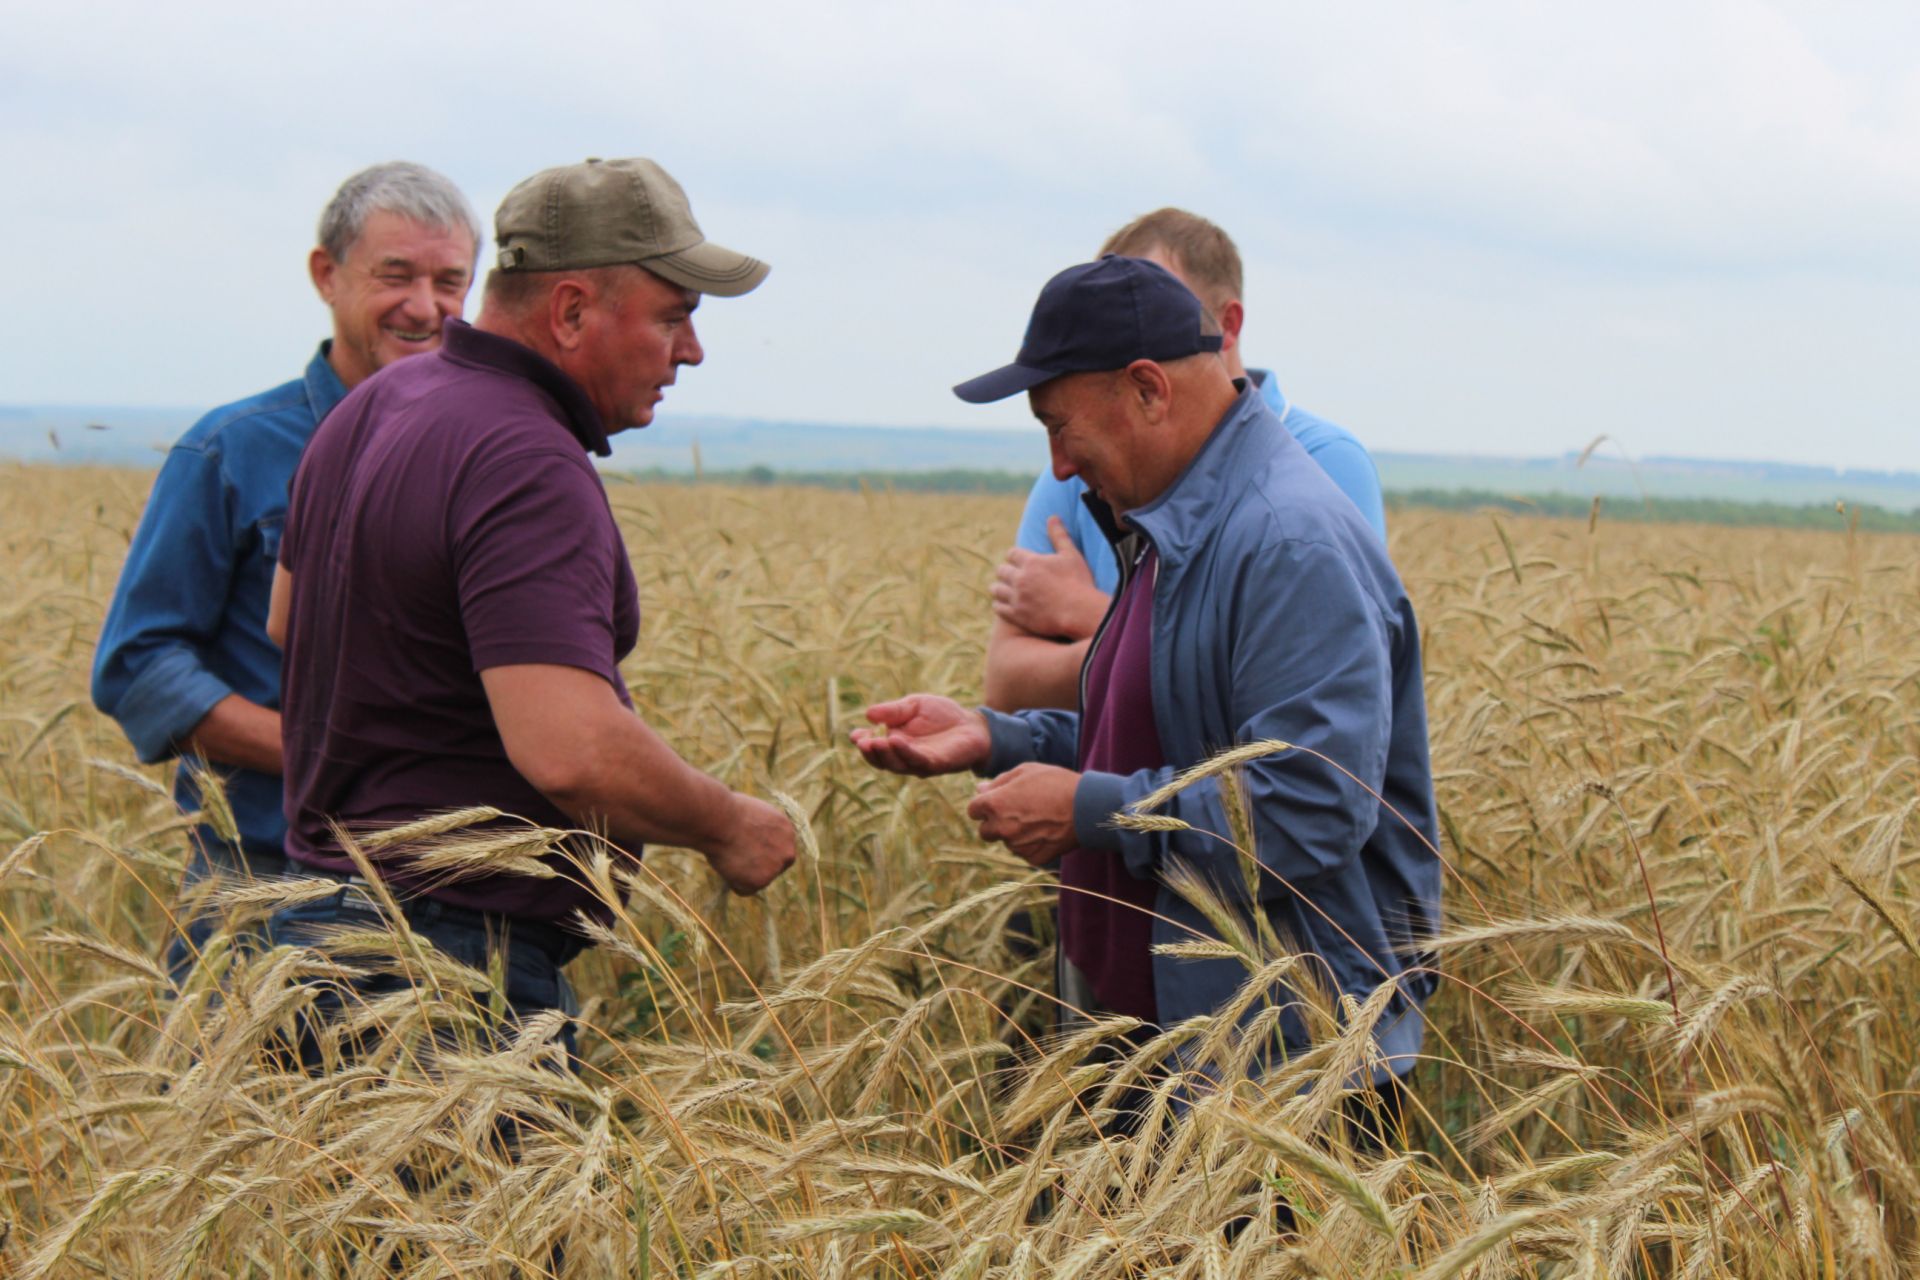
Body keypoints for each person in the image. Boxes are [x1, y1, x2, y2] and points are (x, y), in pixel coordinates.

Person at [853, 256, 1439, 1121]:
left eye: (1060, 426)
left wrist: (1088, 812)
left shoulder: (1285, 541)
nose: (1056, 464)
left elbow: (1311, 804)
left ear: (1148, 390)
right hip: (1177, 1048)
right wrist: (994, 736)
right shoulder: (1177, 517)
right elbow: (1162, 735)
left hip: (1274, 1075)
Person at [265, 157, 796, 1063]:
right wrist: (727, 825)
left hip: (314, 947)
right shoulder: (524, 459)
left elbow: (285, 623)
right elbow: (572, 748)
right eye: (674, 317)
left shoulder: (377, 405)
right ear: (573, 312)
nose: (692, 350)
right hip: (445, 981)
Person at [91, 162, 479, 976]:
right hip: (258, 901)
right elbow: (139, 666)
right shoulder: (231, 451)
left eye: (451, 281)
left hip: (446, 910)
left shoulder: (484, 461)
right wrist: (321, 757)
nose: (427, 307)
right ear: (325, 275)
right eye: (395, 275)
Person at [984, 208, 1388, 713]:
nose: (1062, 462)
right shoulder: (1082, 466)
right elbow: (1005, 687)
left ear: (1228, 325)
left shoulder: (1313, 475)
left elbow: (1302, 702)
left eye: (1157, 307)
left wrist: (1086, 613)